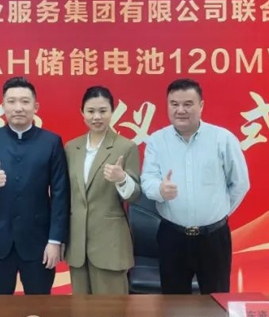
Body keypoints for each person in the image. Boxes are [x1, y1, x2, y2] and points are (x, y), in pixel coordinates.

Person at [141, 78, 250, 294]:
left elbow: (240, 184)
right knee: (173, 303)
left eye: (188, 104)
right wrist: (160, 190)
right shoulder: (157, 140)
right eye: (174, 104)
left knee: (216, 300)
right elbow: (148, 179)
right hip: (172, 236)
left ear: (201, 106)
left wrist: (217, 214)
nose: (180, 110)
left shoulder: (223, 139)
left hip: (214, 238)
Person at [0, 77, 70, 295]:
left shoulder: (51, 142)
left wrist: (55, 240)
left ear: (36, 106)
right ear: (3, 106)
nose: (18, 108)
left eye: (25, 101)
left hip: (38, 243)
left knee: (39, 306)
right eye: (12, 101)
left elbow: (60, 194)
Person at [64, 86, 141, 294]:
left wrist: (122, 179)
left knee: (111, 308)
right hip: (77, 244)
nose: (96, 117)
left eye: (102, 111)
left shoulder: (125, 147)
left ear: (112, 111)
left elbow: (135, 195)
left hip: (110, 244)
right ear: (82, 112)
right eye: (90, 111)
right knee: (80, 307)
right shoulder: (72, 148)